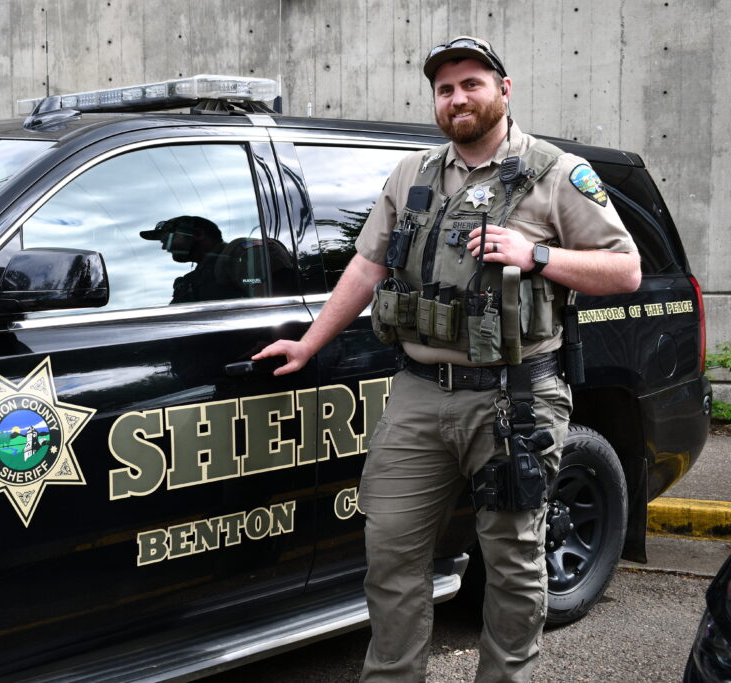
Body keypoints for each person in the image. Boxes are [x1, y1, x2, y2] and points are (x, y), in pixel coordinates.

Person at [253, 36, 641, 682]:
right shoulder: (412, 176)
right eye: (445, 88)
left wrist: (535, 254)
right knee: (390, 551)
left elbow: (625, 268)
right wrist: (310, 340)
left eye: (471, 84)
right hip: (419, 391)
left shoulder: (555, 172)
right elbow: (368, 264)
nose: (457, 98)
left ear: (504, 90)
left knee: (514, 566)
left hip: (515, 399)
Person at [140, 215, 248, 303]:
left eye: (168, 240)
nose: (164, 247)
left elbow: (263, 303)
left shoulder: (238, 254)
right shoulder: (193, 279)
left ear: (198, 234)